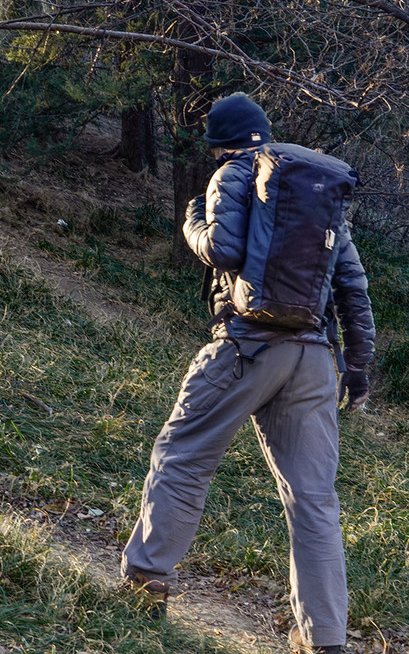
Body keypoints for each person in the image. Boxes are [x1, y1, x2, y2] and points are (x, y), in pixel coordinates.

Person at [120, 92, 375, 654]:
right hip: (312, 360)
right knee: (314, 500)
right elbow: (351, 286)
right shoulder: (316, 191)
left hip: (245, 347)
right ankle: (325, 639)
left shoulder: (232, 175)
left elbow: (224, 249)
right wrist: (356, 367)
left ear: (220, 143)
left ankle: (146, 579)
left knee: (183, 456)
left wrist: (191, 220)